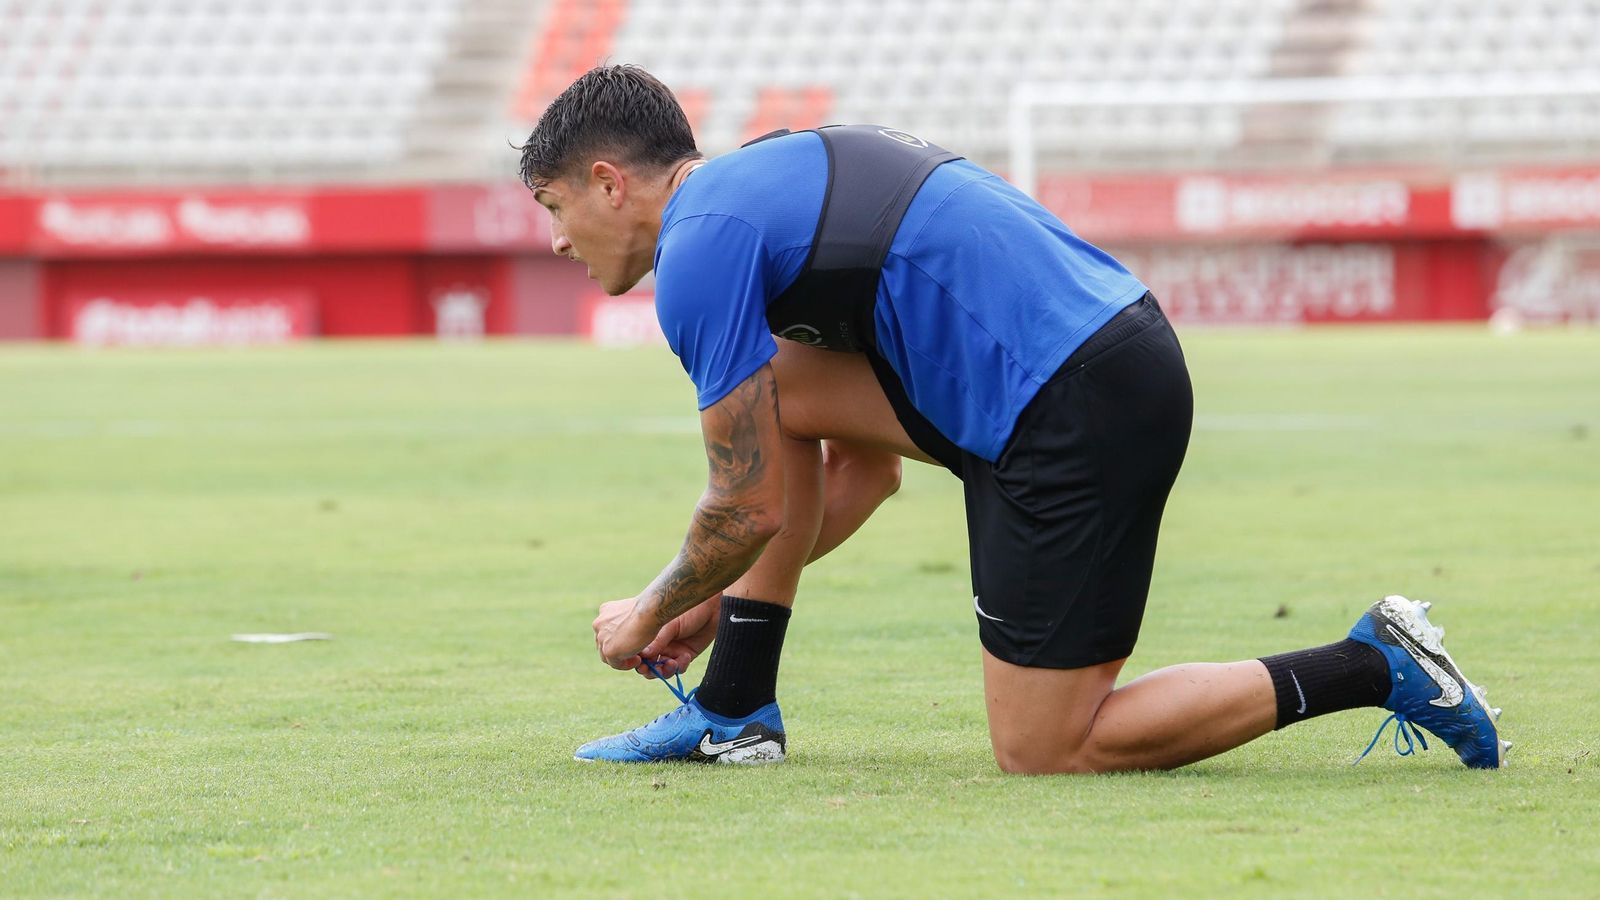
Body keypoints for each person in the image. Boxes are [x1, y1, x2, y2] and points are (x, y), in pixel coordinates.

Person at [518, 65, 1508, 772]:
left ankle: (1371, 663)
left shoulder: (699, 248)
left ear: (609, 182)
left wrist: (648, 612)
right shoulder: (761, 182)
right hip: (1089, 366)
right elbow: (859, 471)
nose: (558, 240)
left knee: (1050, 746)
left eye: (555, 208)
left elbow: (745, 508)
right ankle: (736, 708)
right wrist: (713, 605)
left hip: (1074, 401)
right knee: (781, 391)